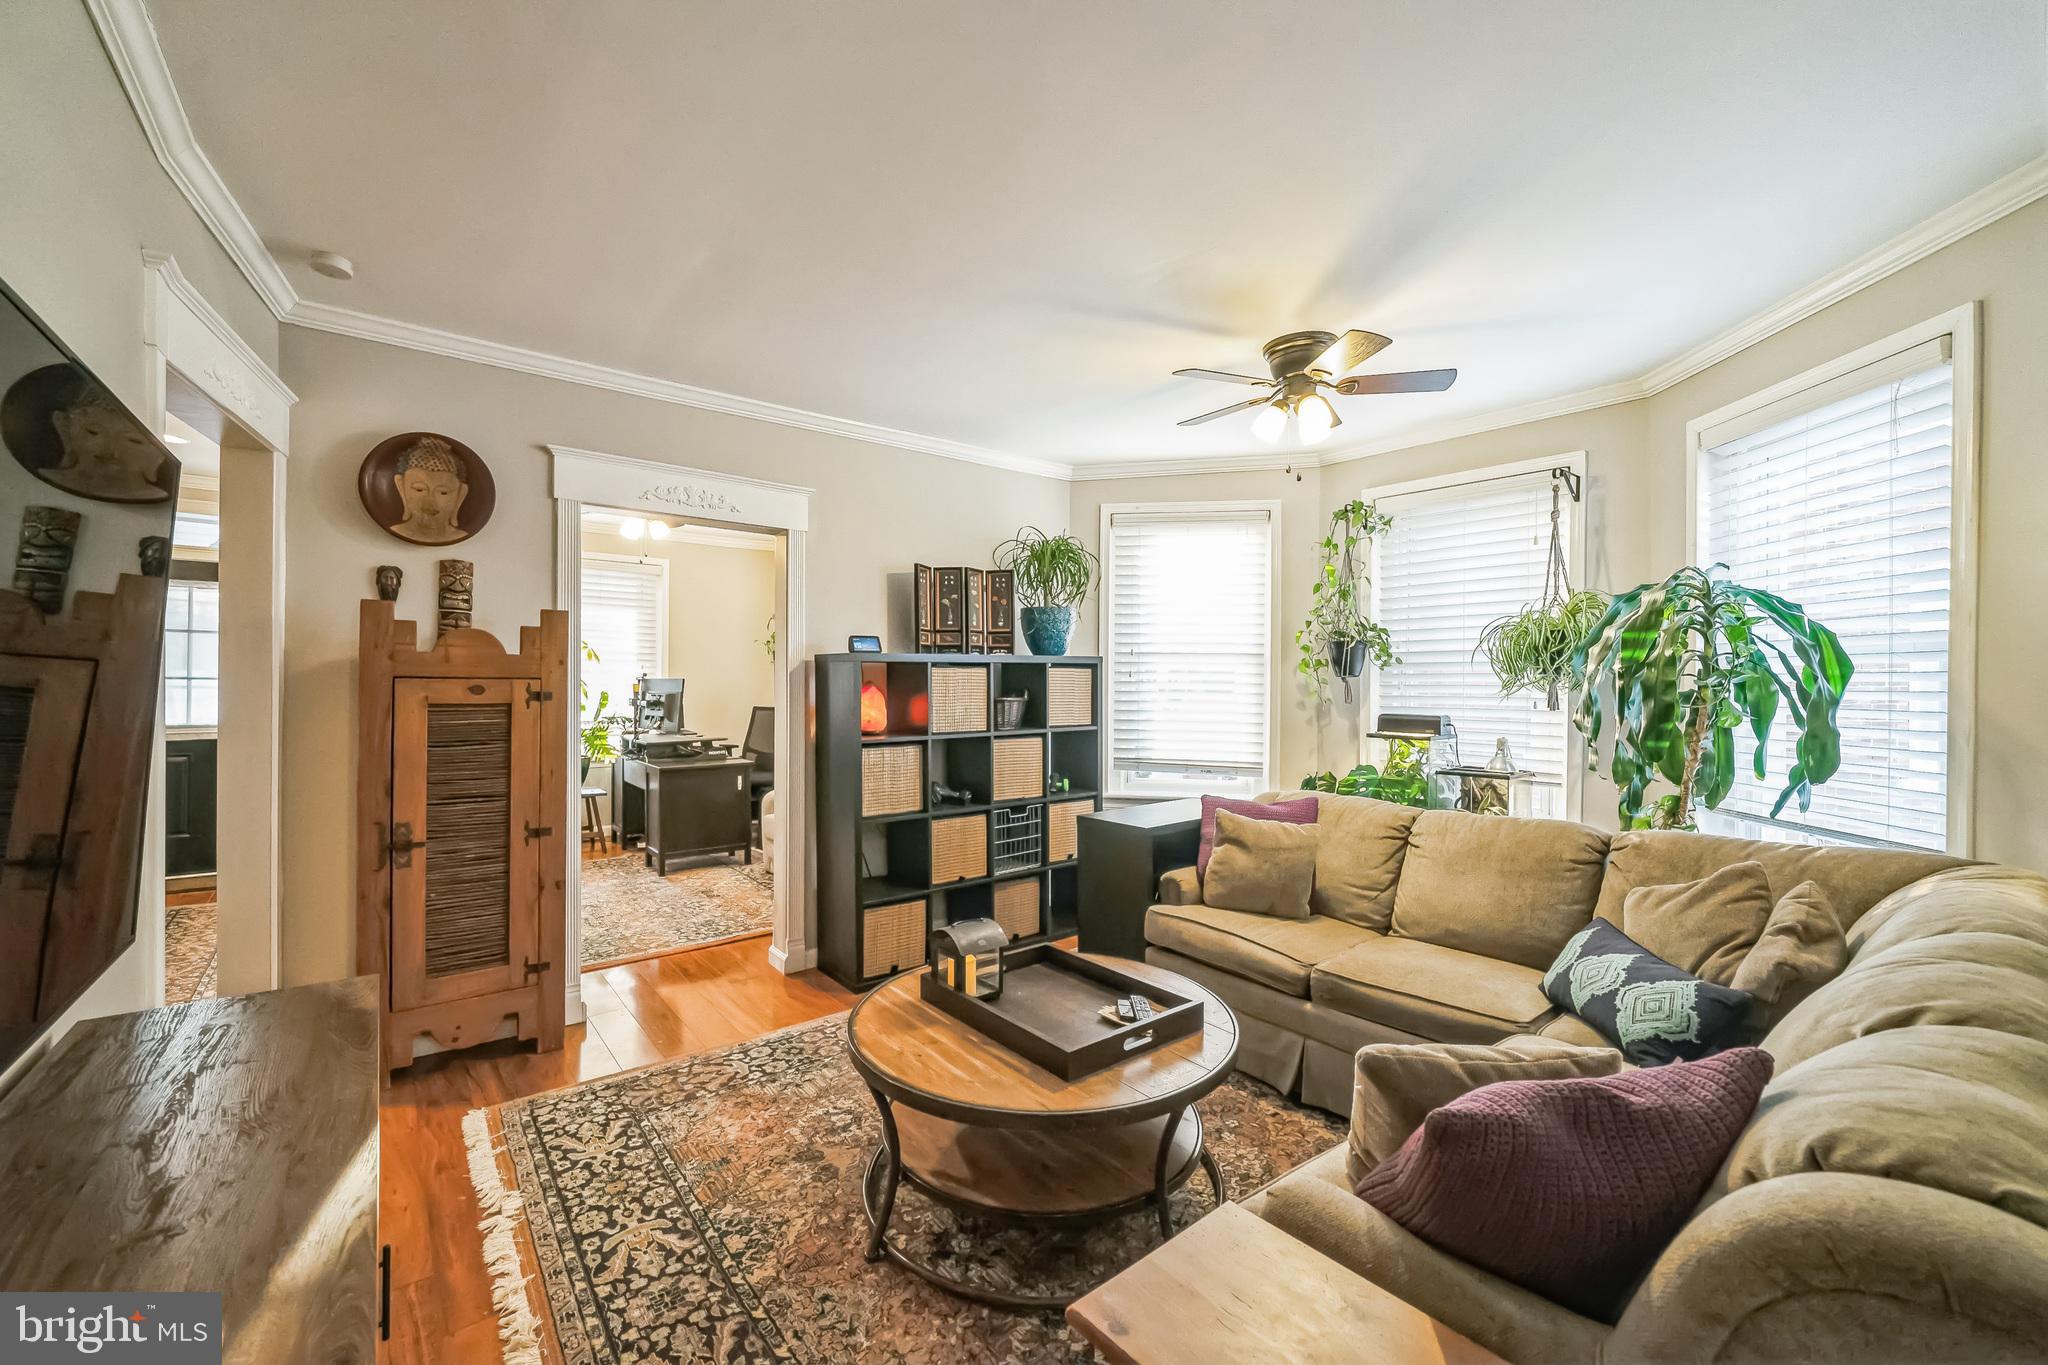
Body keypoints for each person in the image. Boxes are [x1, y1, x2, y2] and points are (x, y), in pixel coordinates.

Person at [40, 376, 167, 503]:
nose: (110, 451)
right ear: (65, 427)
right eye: (93, 432)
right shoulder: (47, 480)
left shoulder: (153, 498)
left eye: (132, 440)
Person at [386, 435, 470, 544]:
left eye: (443, 492)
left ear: (460, 494)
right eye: (419, 489)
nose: (430, 502)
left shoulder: (464, 537)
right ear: (401, 487)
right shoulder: (394, 530)